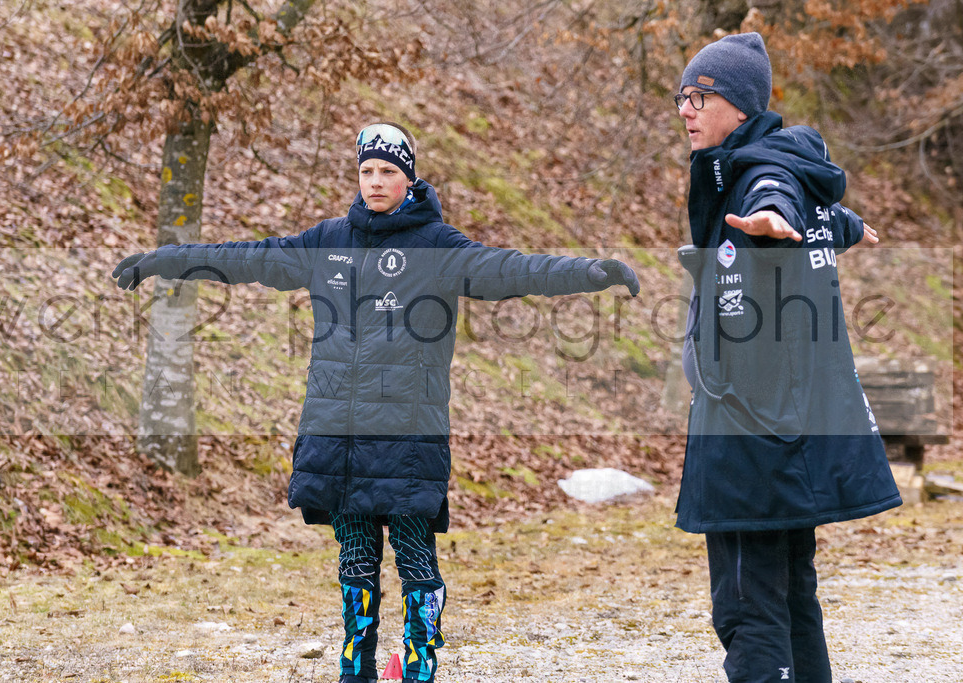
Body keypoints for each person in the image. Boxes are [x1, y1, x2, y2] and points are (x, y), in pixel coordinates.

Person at [112, 121, 640, 683]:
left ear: (409, 178)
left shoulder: (439, 247)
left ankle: (418, 664)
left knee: (415, 556)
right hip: (338, 431)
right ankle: (355, 666)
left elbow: (512, 269)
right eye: (367, 170)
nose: (376, 181)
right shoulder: (326, 241)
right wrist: (165, 259)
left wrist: (590, 272)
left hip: (409, 433)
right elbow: (245, 258)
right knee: (356, 559)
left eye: (388, 171)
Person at [672, 33, 902, 682]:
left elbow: (778, 198)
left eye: (699, 97)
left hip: (751, 434)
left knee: (748, 609)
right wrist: (851, 227)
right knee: (796, 597)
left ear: (740, 107)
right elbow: (819, 208)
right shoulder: (796, 175)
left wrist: (771, 218)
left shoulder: (761, 176)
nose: (686, 110)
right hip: (787, 431)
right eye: (681, 99)